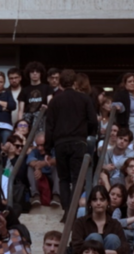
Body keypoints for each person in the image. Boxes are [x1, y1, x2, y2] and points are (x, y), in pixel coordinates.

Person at [45, 69, 97, 212]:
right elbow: (93, 121)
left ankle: (66, 210)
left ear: (60, 83)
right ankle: (73, 211)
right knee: (77, 178)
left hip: (60, 143)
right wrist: (89, 135)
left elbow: (49, 126)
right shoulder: (85, 99)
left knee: (63, 179)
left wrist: (47, 149)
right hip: (79, 141)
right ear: (75, 82)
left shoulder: (55, 101)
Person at [71, 185, 131, 254]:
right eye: (95, 200)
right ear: (90, 203)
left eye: (102, 199)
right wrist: (99, 253)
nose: (98, 203)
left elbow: (126, 248)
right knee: (95, 237)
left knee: (112, 238)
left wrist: (113, 253)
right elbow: (76, 246)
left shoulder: (115, 224)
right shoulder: (81, 222)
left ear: (107, 202)